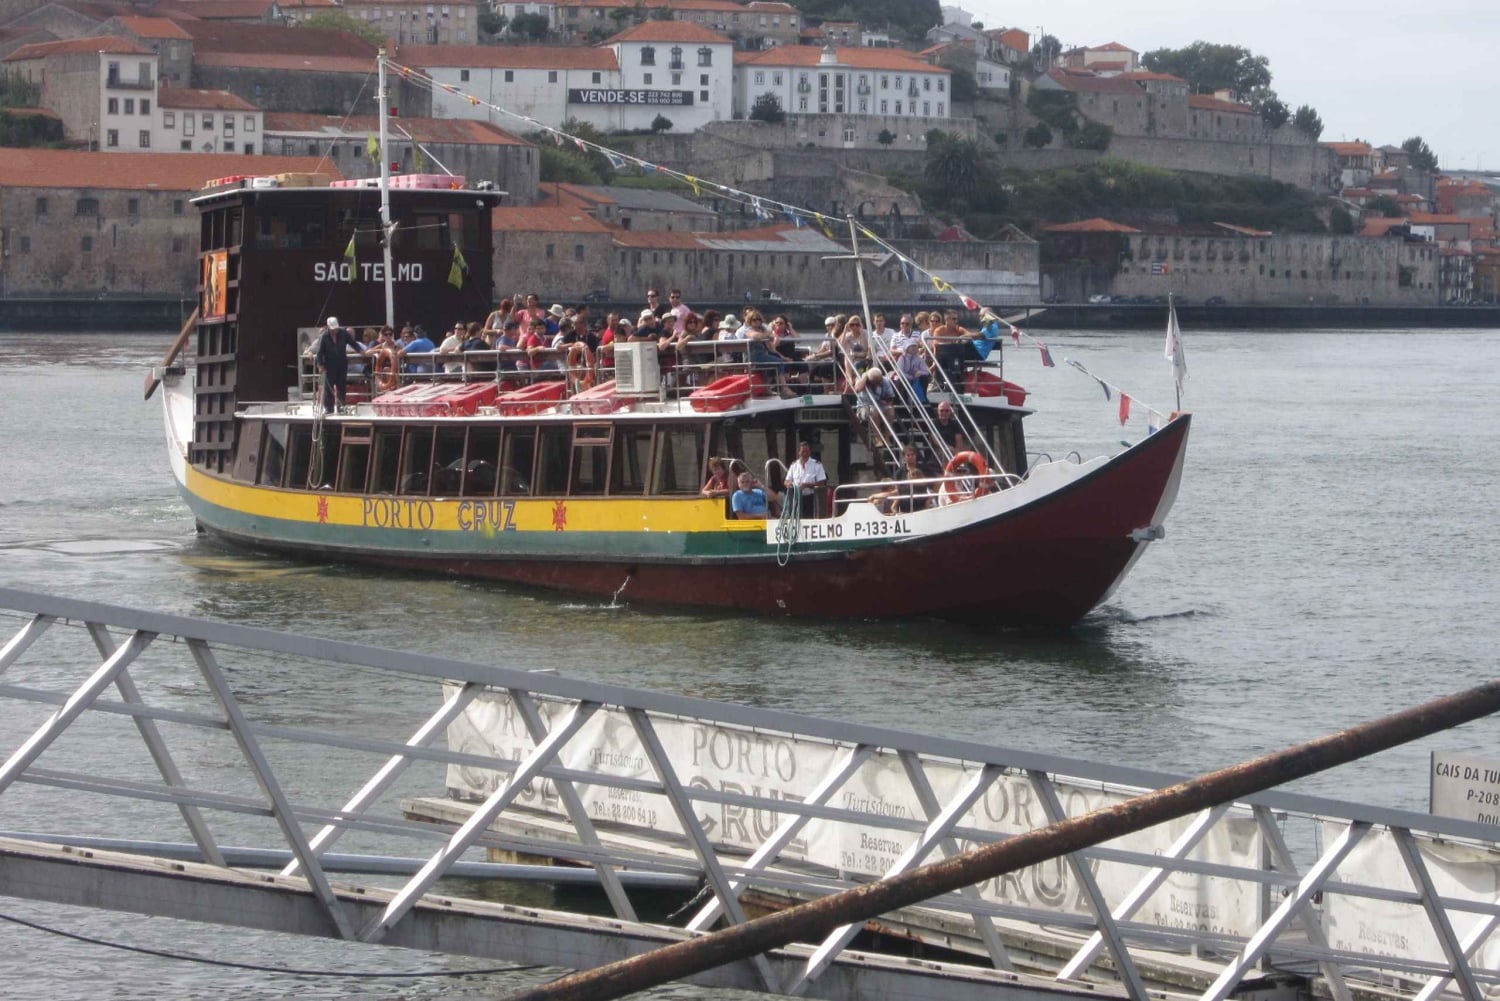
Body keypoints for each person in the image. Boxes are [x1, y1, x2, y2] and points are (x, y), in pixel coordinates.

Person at [313, 316, 362, 411]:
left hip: (342, 364)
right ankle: (329, 408)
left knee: (341, 386)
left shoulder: (343, 333)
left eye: (336, 328)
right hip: (329, 365)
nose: (335, 330)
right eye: (332, 329)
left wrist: (360, 350)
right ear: (328, 327)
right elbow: (320, 352)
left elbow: (352, 342)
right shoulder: (324, 337)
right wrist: (320, 365)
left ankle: (341, 406)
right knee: (329, 387)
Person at [784, 441, 827, 518]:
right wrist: (791, 485)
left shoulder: (817, 465)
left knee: (810, 519)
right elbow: (786, 481)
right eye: (803, 451)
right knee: (797, 521)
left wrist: (807, 485)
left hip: (812, 498)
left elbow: (822, 483)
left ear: (810, 452)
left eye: (807, 451)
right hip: (797, 498)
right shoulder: (794, 465)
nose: (805, 453)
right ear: (799, 452)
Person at [894, 339, 931, 404]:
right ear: (907, 348)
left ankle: (922, 398)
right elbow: (899, 372)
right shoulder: (902, 358)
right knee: (903, 380)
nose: (914, 348)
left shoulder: (919, 359)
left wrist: (920, 372)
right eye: (911, 346)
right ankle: (902, 400)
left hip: (915, 379)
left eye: (915, 346)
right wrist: (911, 377)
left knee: (924, 378)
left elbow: (926, 371)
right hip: (903, 378)